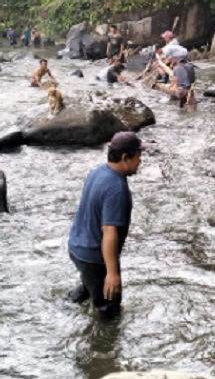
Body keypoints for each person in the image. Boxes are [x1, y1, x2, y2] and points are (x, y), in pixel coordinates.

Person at [66, 131, 146, 316]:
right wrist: (112, 273)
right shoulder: (116, 188)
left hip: (77, 247)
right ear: (126, 158)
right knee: (109, 309)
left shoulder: (98, 172)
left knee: (90, 283)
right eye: (138, 155)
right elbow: (109, 230)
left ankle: (66, 306)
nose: (140, 161)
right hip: (95, 257)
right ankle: (102, 342)